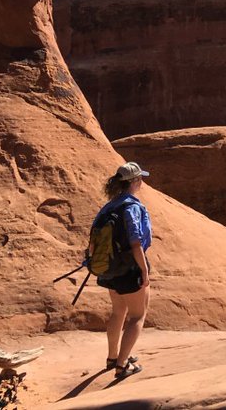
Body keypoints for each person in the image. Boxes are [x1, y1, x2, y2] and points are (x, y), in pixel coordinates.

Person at [96, 161, 153, 380]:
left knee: (118, 311)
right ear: (135, 181)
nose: (143, 182)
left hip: (110, 268)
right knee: (138, 316)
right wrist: (144, 270)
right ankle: (122, 366)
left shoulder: (109, 206)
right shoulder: (132, 207)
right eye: (141, 178)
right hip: (129, 268)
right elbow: (136, 242)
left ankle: (112, 358)